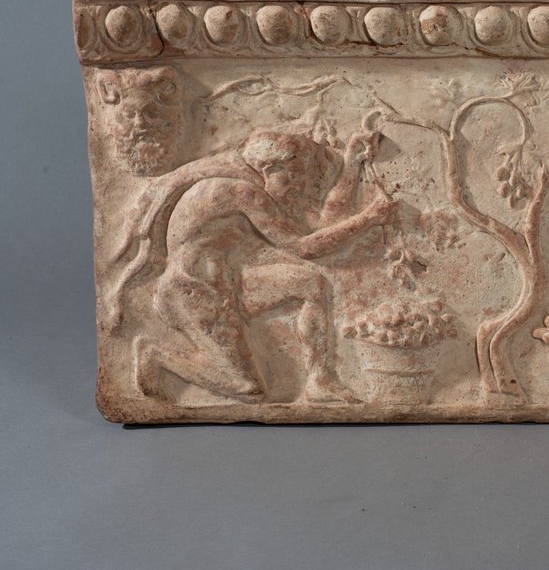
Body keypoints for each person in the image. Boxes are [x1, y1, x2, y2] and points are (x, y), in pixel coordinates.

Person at [116, 127, 396, 403]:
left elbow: (323, 225)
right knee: (247, 388)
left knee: (311, 284)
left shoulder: (254, 188)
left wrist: (351, 164)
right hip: (192, 292)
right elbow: (304, 247)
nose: (300, 186)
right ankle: (156, 355)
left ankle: (319, 381)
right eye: (296, 177)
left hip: (225, 283)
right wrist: (369, 219)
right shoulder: (239, 192)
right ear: (272, 169)